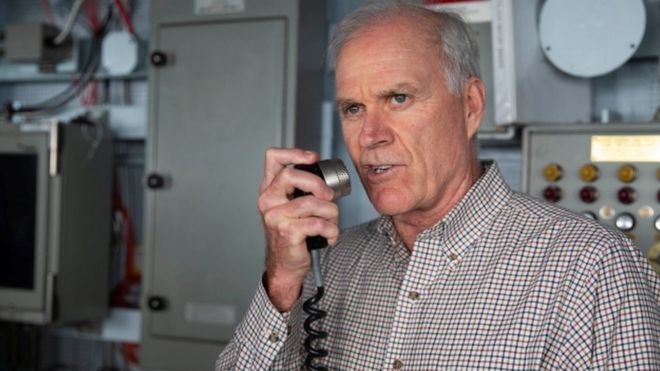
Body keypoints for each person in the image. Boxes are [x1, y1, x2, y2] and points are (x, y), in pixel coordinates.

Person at [216, 2, 660, 369]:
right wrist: (281, 282)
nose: (371, 136)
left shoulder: (589, 267)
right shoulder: (329, 263)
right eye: (353, 108)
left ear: (470, 105)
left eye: (399, 98)